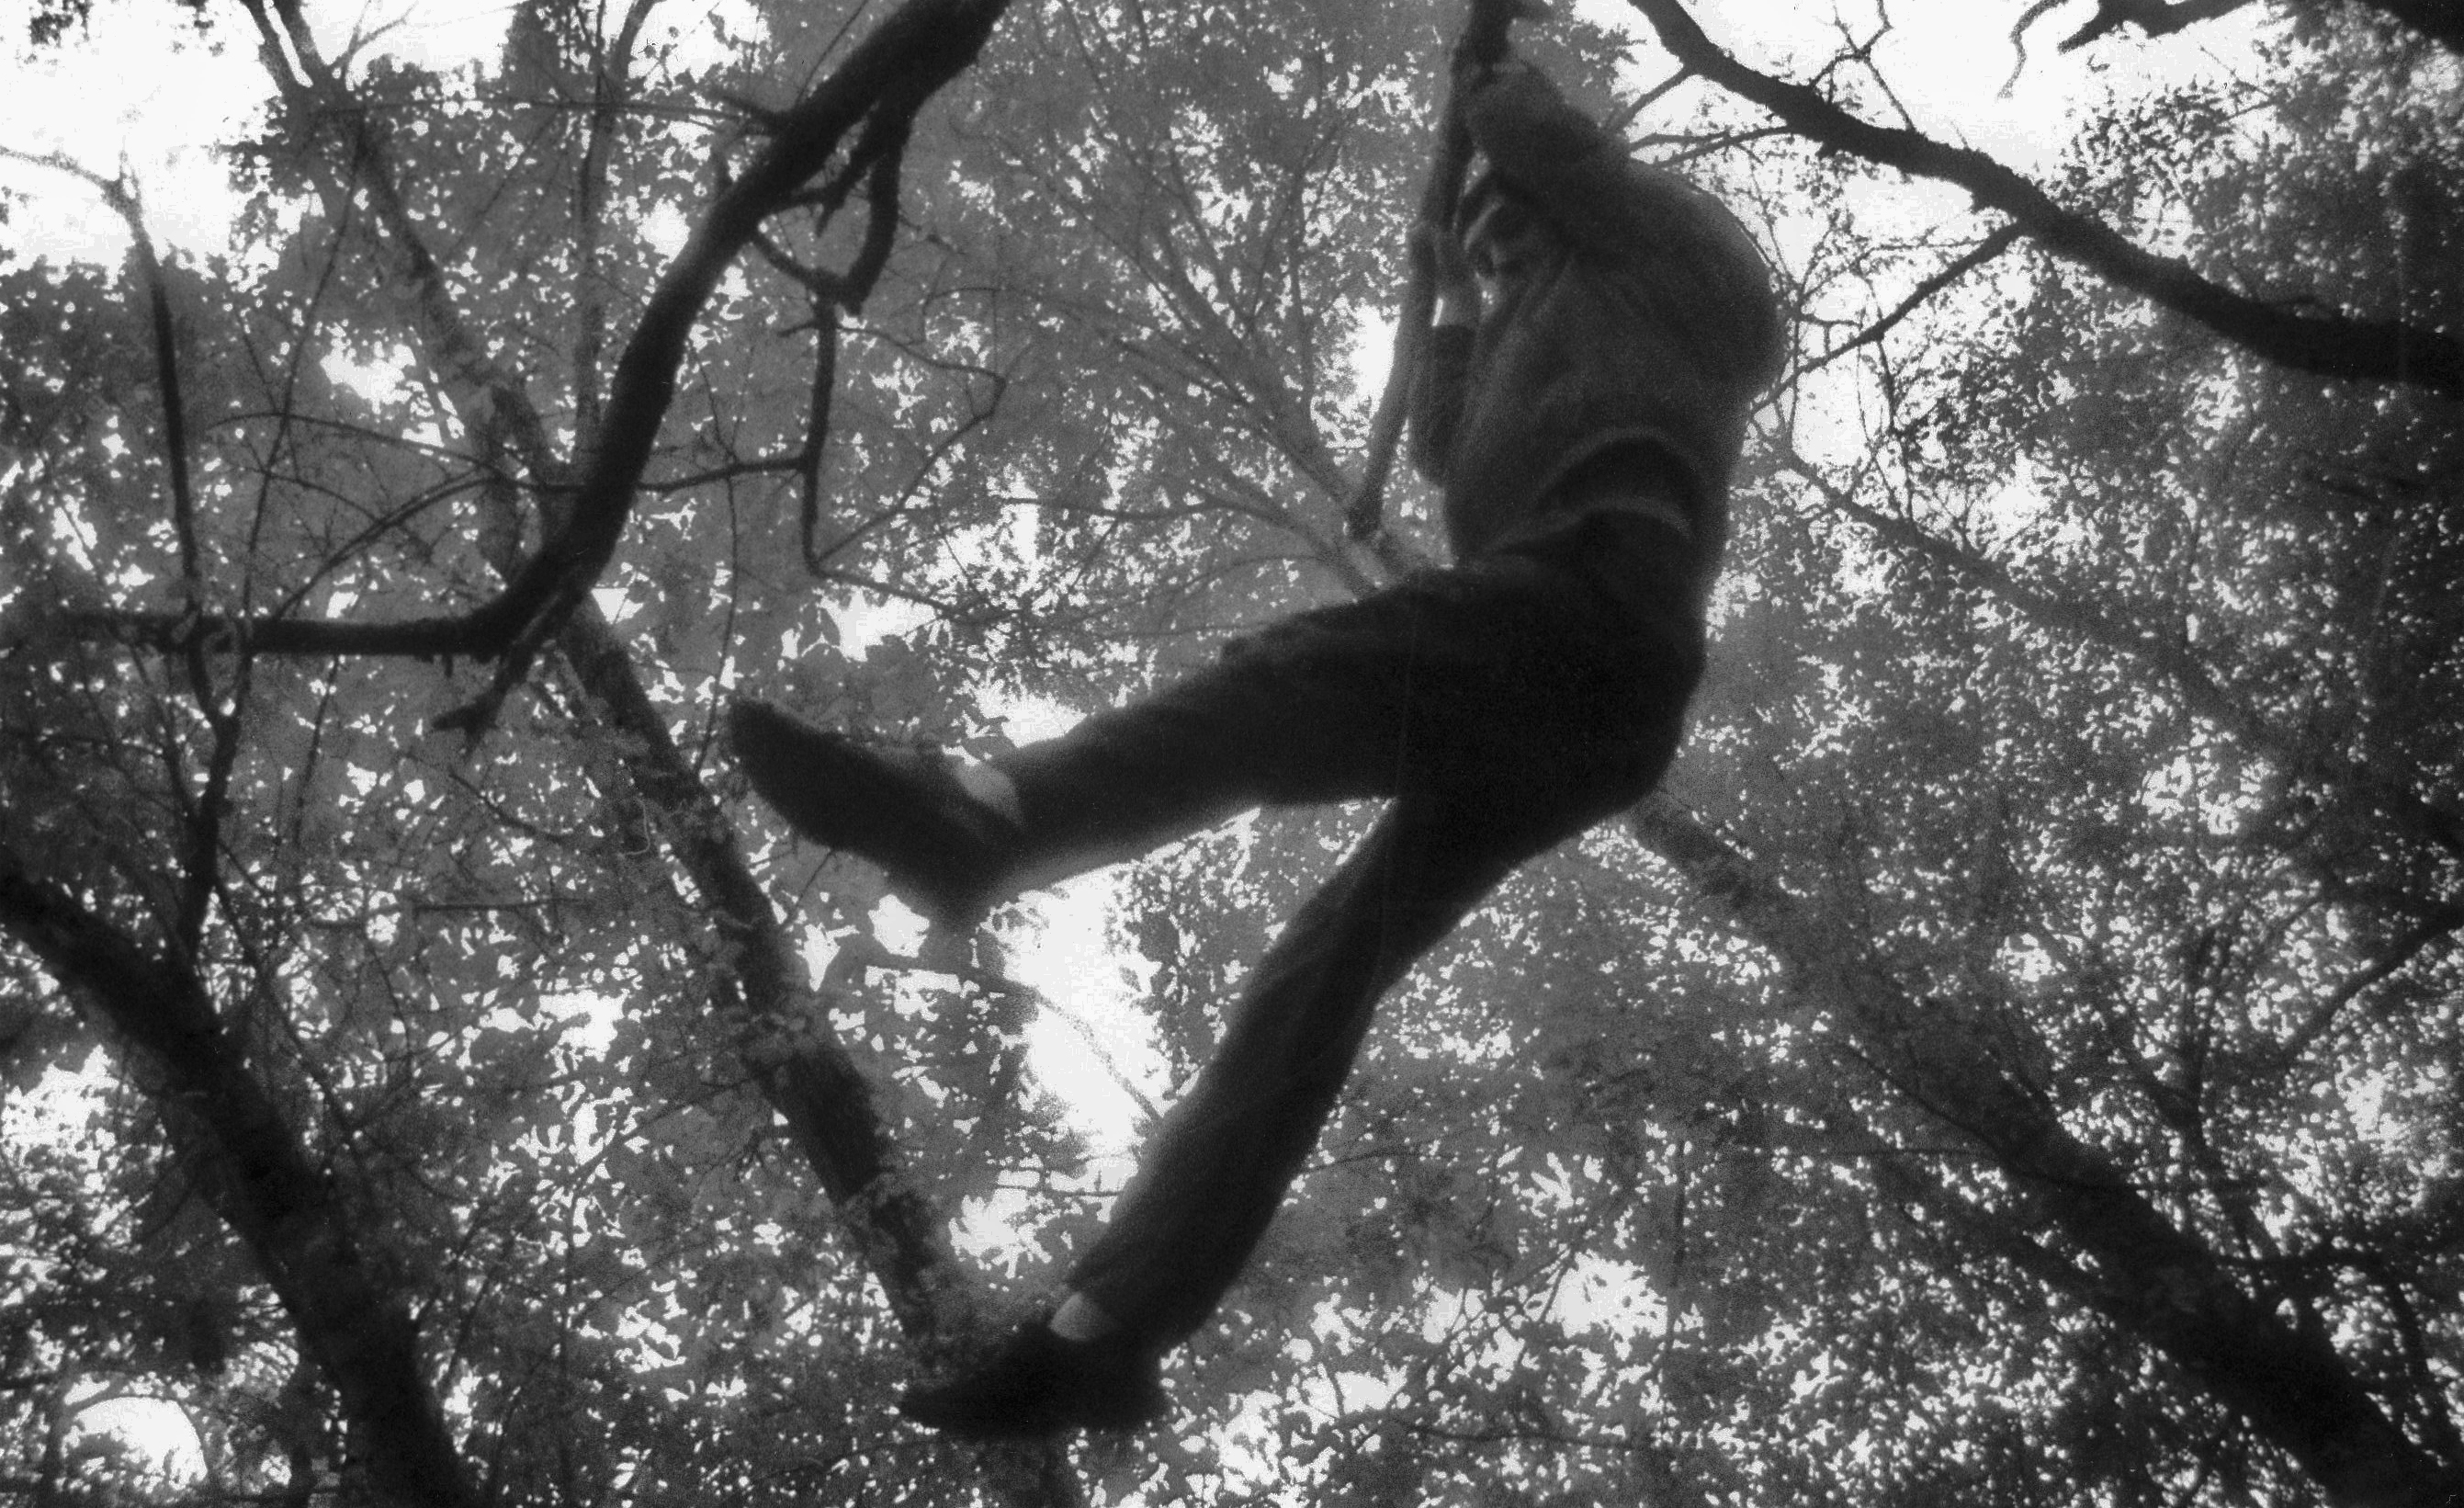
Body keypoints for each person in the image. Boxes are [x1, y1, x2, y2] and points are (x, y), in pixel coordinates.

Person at [729, 54, 1785, 1438]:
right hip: (1564, 692)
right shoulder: (1525, 332)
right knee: (1312, 978)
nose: (1498, 253)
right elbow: (1446, 452)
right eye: (1479, 247)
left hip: (1604, 596)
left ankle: (992, 818)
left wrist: (1491, 81)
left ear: (1566, 203)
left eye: (1513, 228)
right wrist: (1452, 295)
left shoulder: (1666, 261)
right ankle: (1109, 1327)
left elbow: (1558, 157)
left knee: (1284, 682)